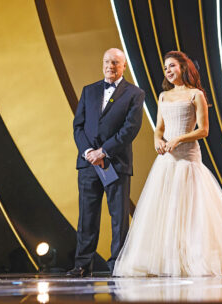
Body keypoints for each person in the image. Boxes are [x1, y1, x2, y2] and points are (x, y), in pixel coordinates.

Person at [113, 51, 222, 277]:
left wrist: (178, 138)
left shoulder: (196, 94)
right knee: (167, 211)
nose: (168, 71)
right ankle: (168, 259)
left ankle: (193, 257)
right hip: (167, 162)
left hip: (188, 160)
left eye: (172, 66)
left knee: (191, 212)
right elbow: (159, 128)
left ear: (183, 68)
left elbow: (204, 130)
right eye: (165, 67)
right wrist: (158, 140)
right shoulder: (163, 96)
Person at [67, 48, 145, 277]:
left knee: (119, 218)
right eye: (107, 62)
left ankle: (117, 266)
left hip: (116, 164)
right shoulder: (88, 90)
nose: (110, 66)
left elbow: (130, 129)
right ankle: (82, 265)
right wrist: (89, 152)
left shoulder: (134, 93)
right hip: (89, 164)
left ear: (124, 66)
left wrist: (104, 151)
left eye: (115, 62)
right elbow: (78, 126)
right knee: (87, 217)